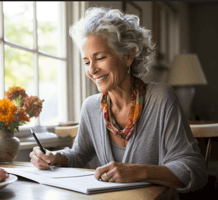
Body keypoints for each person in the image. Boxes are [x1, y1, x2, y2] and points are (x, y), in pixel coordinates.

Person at [29, 6, 208, 195]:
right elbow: (78, 156)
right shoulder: (91, 107)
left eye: (100, 58)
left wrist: (137, 171)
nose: (92, 70)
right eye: (87, 62)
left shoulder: (161, 98)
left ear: (128, 56)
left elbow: (194, 170)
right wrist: (53, 157)